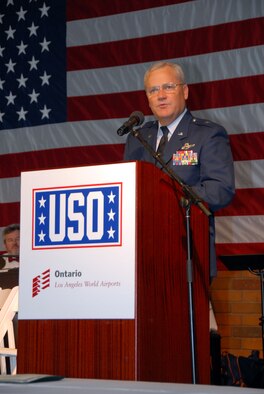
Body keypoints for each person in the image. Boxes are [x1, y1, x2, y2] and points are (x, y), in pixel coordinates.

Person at [124, 61, 235, 278]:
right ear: (147, 97)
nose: (161, 95)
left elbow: (220, 190)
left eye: (168, 87)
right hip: (142, 256)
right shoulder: (137, 138)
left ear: (184, 91)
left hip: (189, 254)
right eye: (153, 90)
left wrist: (166, 199)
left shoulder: (207, 135)